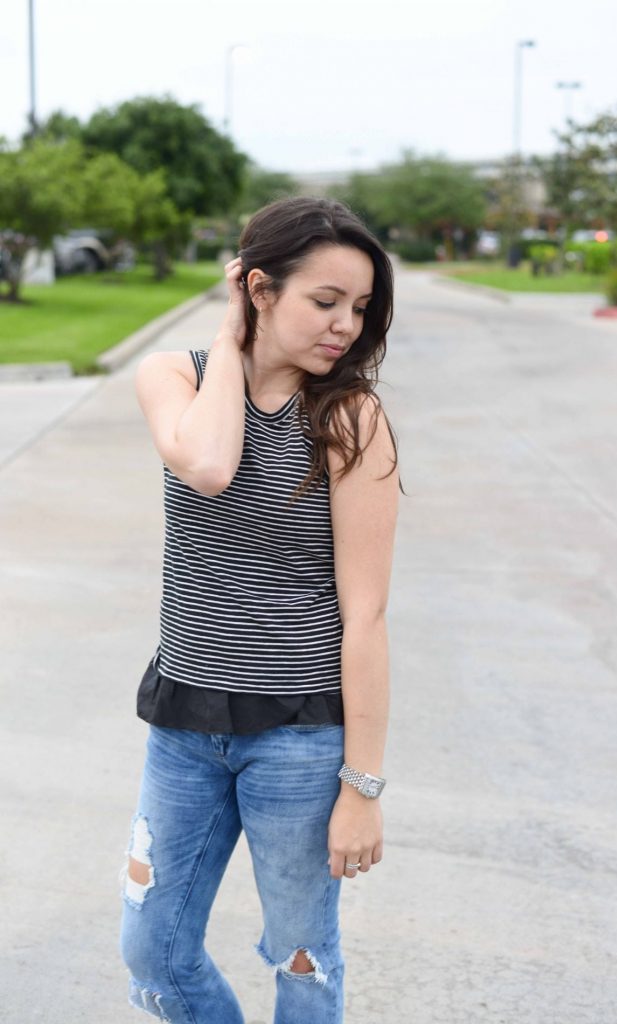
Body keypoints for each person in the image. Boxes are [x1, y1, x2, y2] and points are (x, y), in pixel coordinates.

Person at [119, 196, 401, 1024]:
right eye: (325, 301)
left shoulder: (349, 420)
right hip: (184, 729)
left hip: (300, 743)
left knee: (301, 960)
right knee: (152, 954)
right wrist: (231, 340)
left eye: (359, 308)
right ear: (258, 290)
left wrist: (363, 785)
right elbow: (208, 464)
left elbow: (366, 616)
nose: (345, 326)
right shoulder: (176, 376)